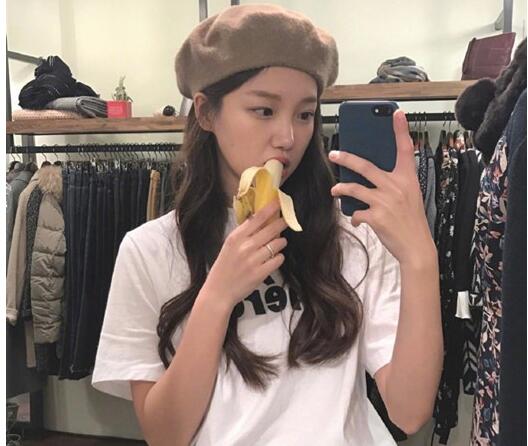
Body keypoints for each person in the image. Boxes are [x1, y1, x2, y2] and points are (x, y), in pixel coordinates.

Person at [92, 4, 442, 445]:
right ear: (206, 112)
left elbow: (409, 412)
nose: (288, 137)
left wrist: (420, 257)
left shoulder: (352, 235)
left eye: (304, 114)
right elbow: (165, 435)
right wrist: (217, 296)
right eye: (263, 110)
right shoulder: (151, 249)